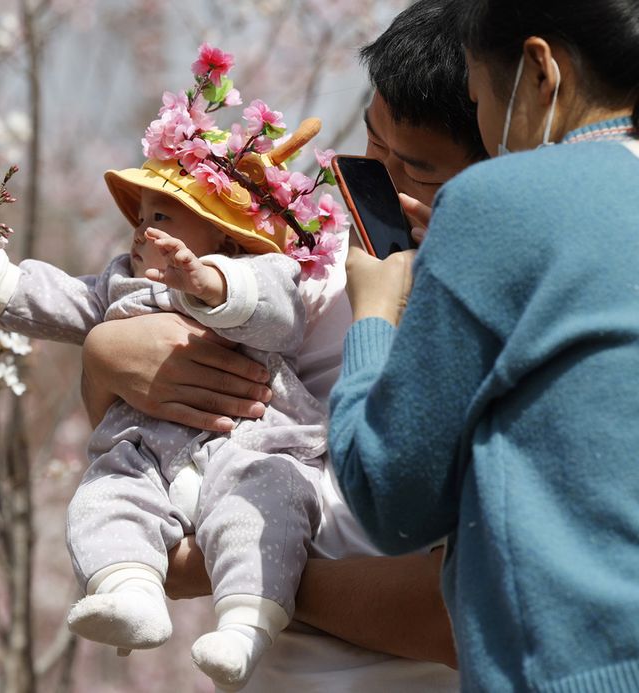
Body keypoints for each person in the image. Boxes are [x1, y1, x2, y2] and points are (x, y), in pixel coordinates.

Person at [81, 1, 485, 689]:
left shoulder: (495, 307)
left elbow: (455, 613)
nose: (375, 178)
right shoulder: (314, 266)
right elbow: (163, 434)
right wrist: (106, 358)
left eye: (415, 169)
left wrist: (253, 558)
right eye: (371, 139)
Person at [0, 89, 352, 687]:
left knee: (265, 508)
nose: (142, 232)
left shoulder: (258, 276)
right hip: (144, 453)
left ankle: (246, 623)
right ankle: (130, 591)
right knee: (103, 498)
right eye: (140, 220)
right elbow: (60, 297)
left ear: (223, 235)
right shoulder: (120, 286)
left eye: (162, 217)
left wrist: (210, 283)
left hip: (249, 447)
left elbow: (277, 312)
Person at [329, 0, 639, 690]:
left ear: (538, 69)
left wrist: (375, 313)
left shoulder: (501, 199)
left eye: (477, 97)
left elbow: (388, 494)